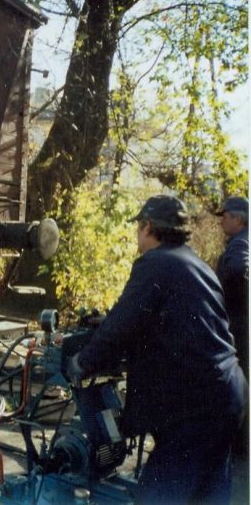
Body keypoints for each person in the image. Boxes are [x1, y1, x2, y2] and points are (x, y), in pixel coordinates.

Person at [67, 194, 247, 504]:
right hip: (228, 397)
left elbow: (121, 326)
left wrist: (81, 362)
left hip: (195, 408)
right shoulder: (197, 264)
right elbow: (165, 317)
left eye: (139, 227)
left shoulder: (154, 262)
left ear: (148, 226)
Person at [216, 196, 249, 377]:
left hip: (239, 328)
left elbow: (238, 269)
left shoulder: (240, 242)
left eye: (225, 216)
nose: (221, 221)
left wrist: (222, 297)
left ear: (238, 219)